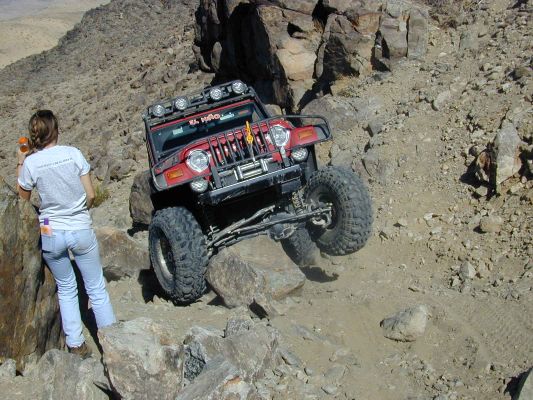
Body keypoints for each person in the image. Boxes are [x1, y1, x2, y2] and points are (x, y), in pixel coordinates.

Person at [16, 110, 116, 359]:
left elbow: (22, 200)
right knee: (96, 288)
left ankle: (76, 344)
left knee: (66, 287)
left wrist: (21, 161)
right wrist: (79, 211)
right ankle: (114, 344)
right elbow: (90, 195)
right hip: (79, 226)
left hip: (51, 229)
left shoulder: (31, 164)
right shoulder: (73, 154)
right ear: (56, 130)